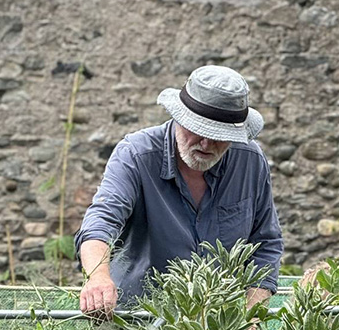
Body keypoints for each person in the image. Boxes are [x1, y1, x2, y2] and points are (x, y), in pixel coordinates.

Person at [75, 64, 283, 316]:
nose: (206, 143)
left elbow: (266, 243)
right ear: (178, 117)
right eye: (198, 130)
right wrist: (97, 278)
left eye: (219, 135)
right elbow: (101, 222)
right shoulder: (136, 154)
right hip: (136, 319)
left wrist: (252, 313)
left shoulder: (249, 161)